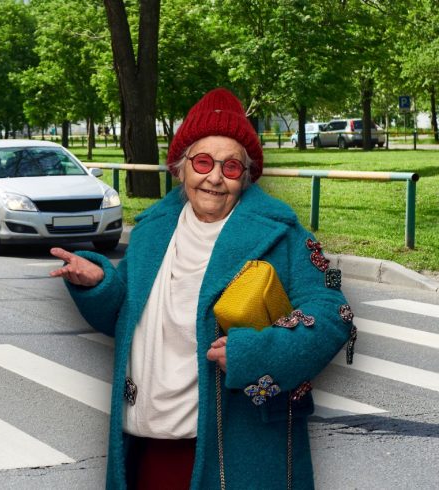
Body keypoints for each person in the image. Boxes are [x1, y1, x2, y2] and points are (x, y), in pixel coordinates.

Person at [50, 88, 356, 489]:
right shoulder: (151, 232)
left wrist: (255, 352)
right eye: (203, 162)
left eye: (230, 167)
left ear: (246, 177)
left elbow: (335, 313)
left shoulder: (284, 235)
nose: (214, 177)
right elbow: (127, 316)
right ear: (180, 168)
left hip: (236, 448)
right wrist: (99, 283)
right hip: (148, 443)